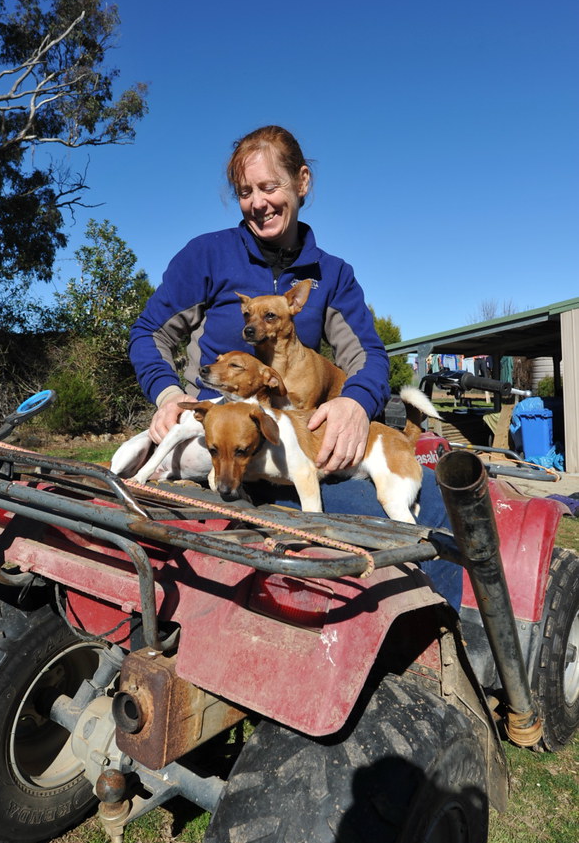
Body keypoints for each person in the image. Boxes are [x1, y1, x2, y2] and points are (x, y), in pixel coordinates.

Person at [128, 125, 461, 608]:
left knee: (434, 497)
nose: (257, 203)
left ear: (302, 182)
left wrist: (354, 403)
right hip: (221, 450)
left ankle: (453, 631)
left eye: (269, 187)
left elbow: (368, 356)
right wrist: (168, 396)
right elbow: (149, 333)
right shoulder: (206, 255)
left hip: (294, 454)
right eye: (245, 192)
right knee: (414, 512)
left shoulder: (333, 275)